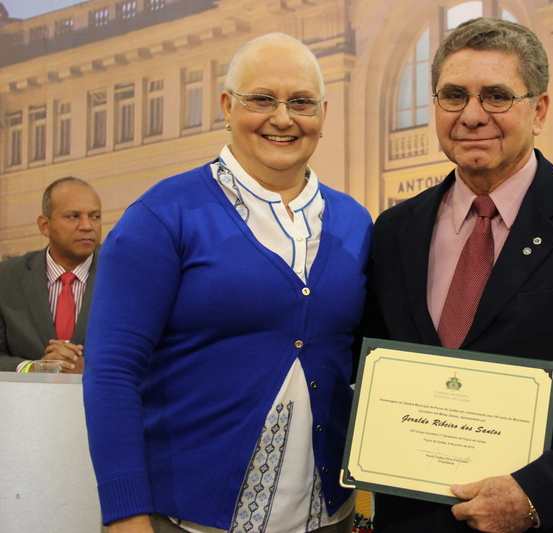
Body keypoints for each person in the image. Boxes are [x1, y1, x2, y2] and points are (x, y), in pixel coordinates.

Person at [366, 17, 553, 533]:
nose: (472, 115)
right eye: (453, 95)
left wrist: (536, 494)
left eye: (497, 96)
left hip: (544, 522)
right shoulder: (395, 229)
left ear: (540, 110)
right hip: (411, 518)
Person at [82, 33, 372, 533]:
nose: (283, 118)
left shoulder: (354, 222)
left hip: (327, 518)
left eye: (301, 102)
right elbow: (111, 373)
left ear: (323, 113)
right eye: (262, 99)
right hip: (188, 519)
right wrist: (125, 514)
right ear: (226, 106)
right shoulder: (162, 215)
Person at [0, 177, 101, 373]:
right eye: (73, 216)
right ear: (45, 225)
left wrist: (91, 368)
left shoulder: (123, 276)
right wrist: (32, 368)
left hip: (99, 401)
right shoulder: (6, 278)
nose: (87, 226)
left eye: (95, 216)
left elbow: (154, 353)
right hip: (26, 401)